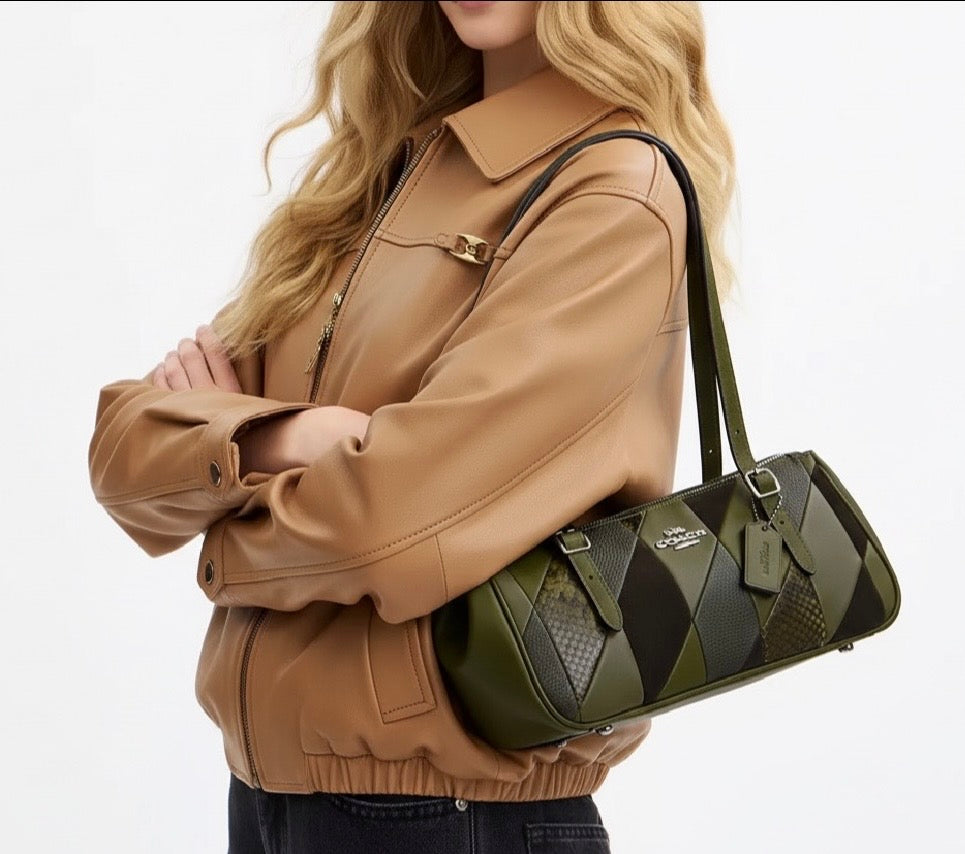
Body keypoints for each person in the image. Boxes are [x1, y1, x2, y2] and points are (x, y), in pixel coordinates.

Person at [87, 1, 736, 851]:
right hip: (271, 797)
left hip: (455, 815)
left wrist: (222, 513)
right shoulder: (385, 172)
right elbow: (125, 447)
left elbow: (388, 528)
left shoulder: (612, 192)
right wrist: (288, 437)